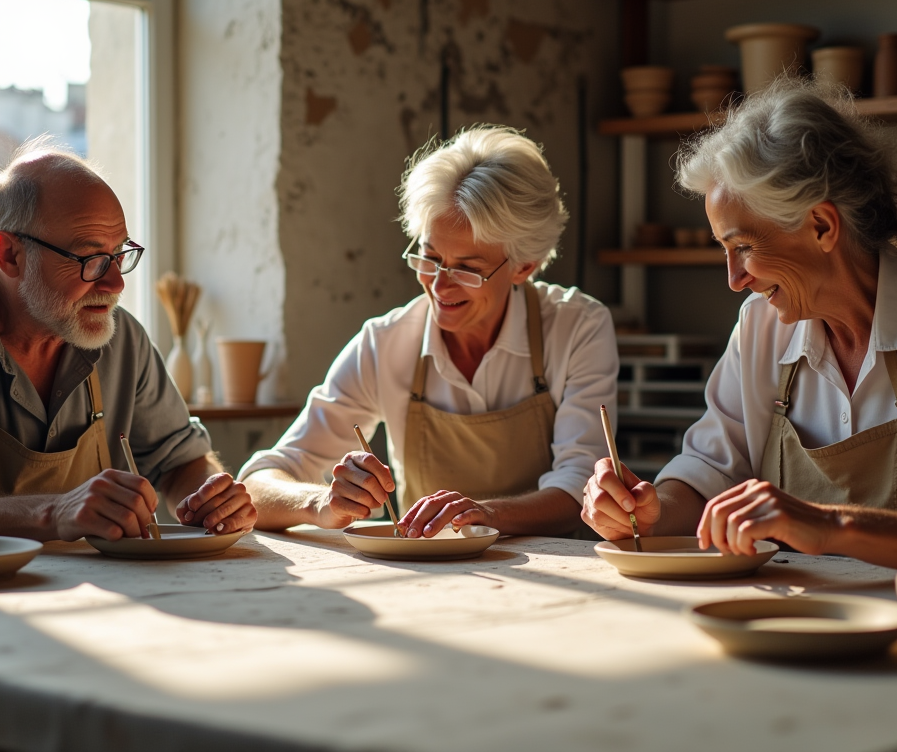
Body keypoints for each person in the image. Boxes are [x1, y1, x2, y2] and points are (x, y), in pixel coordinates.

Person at [583, 82, 897, 568]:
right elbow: (707, 472)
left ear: (822, 226)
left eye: (743, 247)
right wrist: (648, 512)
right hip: (795, 619)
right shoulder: (761, 326)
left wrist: (829, 525)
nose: (734, 280)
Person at [0, 141, 255, 553]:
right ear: (8, 255)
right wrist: (55, 512)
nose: (115, 284)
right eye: (91, 259)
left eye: (119, 255)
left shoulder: (121, 339)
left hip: (65, 596)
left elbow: (179, 461)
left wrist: (210, 497)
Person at [241, 126, 618, 538]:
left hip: (558, 575)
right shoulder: (385, 344)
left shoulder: (577, 327)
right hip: (427, 580)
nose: (439, 286)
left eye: (467, 269)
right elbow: (258, 482)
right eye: (430, 257)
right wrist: (320, 502)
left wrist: (486, 514)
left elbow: (582, 489)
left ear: (524, 266)